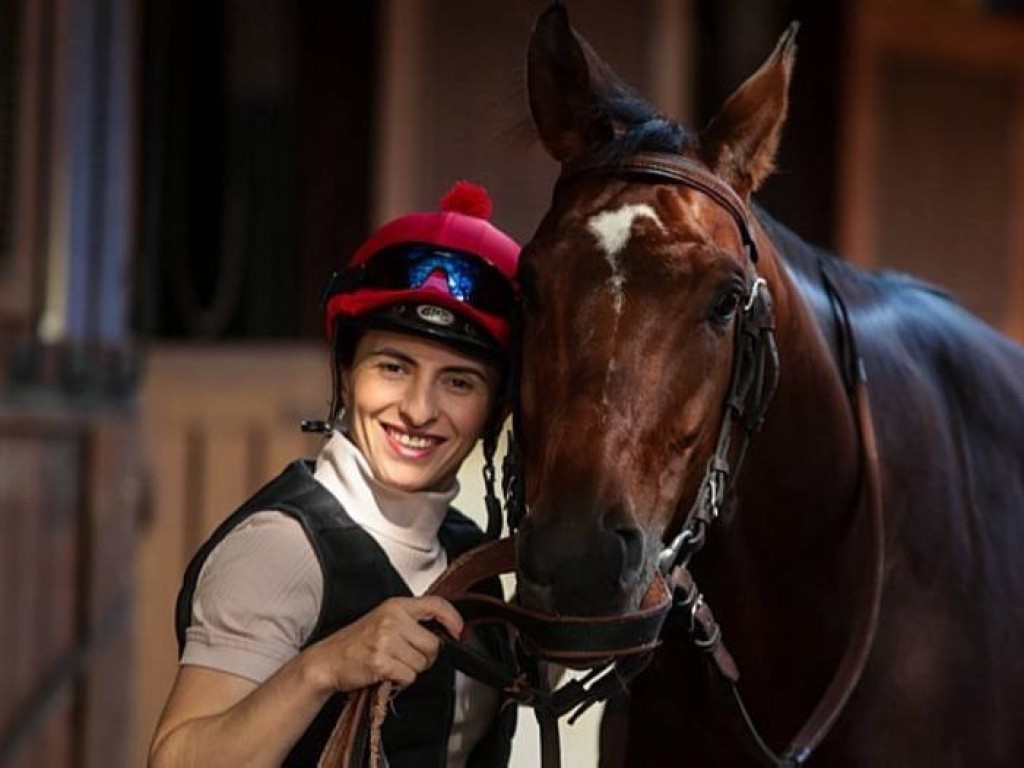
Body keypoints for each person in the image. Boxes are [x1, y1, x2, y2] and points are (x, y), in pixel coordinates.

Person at [149, 181, 521, 767]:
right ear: (345, 374)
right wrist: (321, 668)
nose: (419, 410)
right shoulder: (282, 549)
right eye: (393, 366)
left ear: (496, 408)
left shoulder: (472, 557)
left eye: (458, 381)